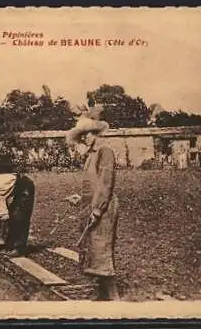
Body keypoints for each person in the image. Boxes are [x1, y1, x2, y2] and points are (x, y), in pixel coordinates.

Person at [66, 116, 120, 301]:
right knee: (93, 250)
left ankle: (114, 297)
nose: (84, 139)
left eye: (86, 134)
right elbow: (94, 185)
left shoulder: (105, 152)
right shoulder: (91, 155)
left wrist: (97, 210)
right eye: (81, 136)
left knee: (101, 248)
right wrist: (80, 198)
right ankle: (101, 294)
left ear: (95, 133)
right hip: (93, 204)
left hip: (103, 208)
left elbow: (105, 184)